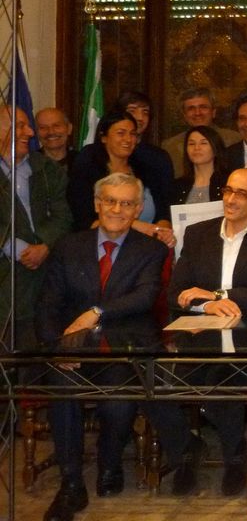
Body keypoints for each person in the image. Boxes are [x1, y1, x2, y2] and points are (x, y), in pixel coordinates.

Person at [150, 167, 247, 497]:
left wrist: (218, 295)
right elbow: (177, 294)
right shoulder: (198, 233)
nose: (230, 199)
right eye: (228, 190)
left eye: (241, 194)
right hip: (199, 333)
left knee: (220, 377)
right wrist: (207, 306)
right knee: (151, 382)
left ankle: (235, 457)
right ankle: (185, 449)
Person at [36, 173, 166, 521]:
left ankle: (110, 465)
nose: (117, 210)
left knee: (118, 400)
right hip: (71, 349)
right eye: (110, 201)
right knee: (63, 391)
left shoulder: (151, 250)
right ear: (97, 204)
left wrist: (97, 312)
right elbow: (48, 304)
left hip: (122, 349)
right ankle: (71, 483)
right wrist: (57, 348)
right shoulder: (68, 246)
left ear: (138, 209)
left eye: (126, 203)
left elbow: (144, 296)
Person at [0, 106, 73, 348]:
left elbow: (63, 216)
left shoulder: (47, 168)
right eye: (21, 126)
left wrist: (44, 245)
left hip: (45, 276)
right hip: (6, 278)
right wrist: (16, 248)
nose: (30, 133)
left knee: (39, 349)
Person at [67, 110, 175, 247]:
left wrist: (162, 231)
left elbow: (163, 212)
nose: (128, 139)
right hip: (98, 247)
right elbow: (85, 222)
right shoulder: (87, 171)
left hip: (146, 249)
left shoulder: (147, 170)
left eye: (132, 134)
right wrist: (138, 226)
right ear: (104, 137)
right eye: (121, 133)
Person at [161, 88, 241, 177]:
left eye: (203, 107)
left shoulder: (234, 139)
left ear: (213, 112)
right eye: (191, 108)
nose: (197, 113)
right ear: (184, 115)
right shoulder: (170, 146)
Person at [171, 125, 230, 204]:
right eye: (191, 144)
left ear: (216, 148)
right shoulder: (177, 186)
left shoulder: (229, 182)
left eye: (203, 143)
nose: (196, 148)